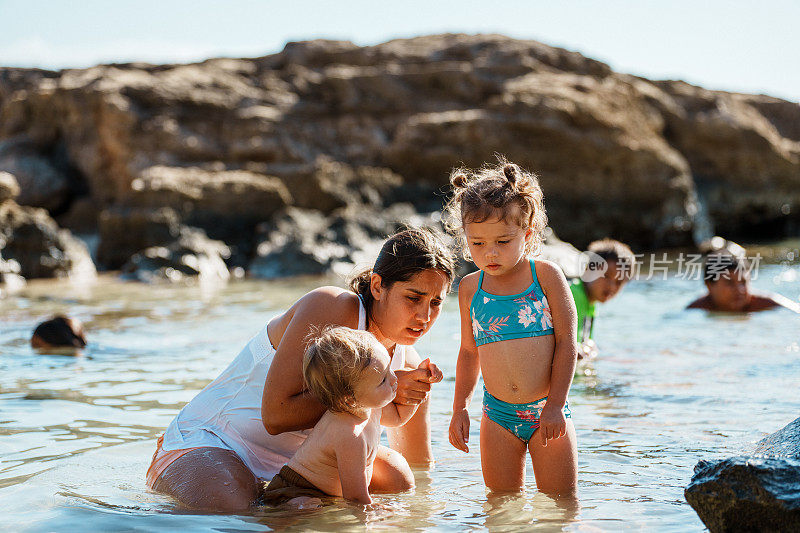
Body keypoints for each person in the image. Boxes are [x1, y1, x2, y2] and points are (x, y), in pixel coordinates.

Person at [146, 228, 455, 511]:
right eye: (413, 298)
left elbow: (419, 466)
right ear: (378, 286)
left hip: (299, 467)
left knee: (399, 481)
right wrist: (375, 386)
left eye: (436, 303)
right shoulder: (333, 307)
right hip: (217, 443)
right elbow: (276, 415)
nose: (424, 315)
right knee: (237, 515)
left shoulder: (410, 365)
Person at [445, 160, 578, 496]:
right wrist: (460, 406)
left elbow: (567, 344)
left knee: (561, 504)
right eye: (477, 243)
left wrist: (556, 406)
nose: (490, 252)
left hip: (546, 409)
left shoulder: (546, 276)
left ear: (527, 233)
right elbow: (467, 351)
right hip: (497, 415)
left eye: (503, 241)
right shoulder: (470, 288)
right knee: (500, 507)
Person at [260, 326, 418, 505]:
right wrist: (373, 513)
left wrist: (418, 396)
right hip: (295, 491)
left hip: (328, 494)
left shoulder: (370, 406)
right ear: (349, 400)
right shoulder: (349, 434)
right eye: (382, 380)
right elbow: (356, 498)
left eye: (389, 368)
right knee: (307, 506)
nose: (394, 379)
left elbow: (397, 419)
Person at [569, 239, 636, 359]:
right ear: (588, 270)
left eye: (619, 282)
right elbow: (567, 347)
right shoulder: (572, 295)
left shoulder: (591, 303)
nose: (611, 286)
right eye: (606, 276)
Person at [686, 250, 800, 313]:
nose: (740, 290)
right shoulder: (698, 309)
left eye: (743, 282)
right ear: (709, 285)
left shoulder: (767, 304)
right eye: (729, 283)